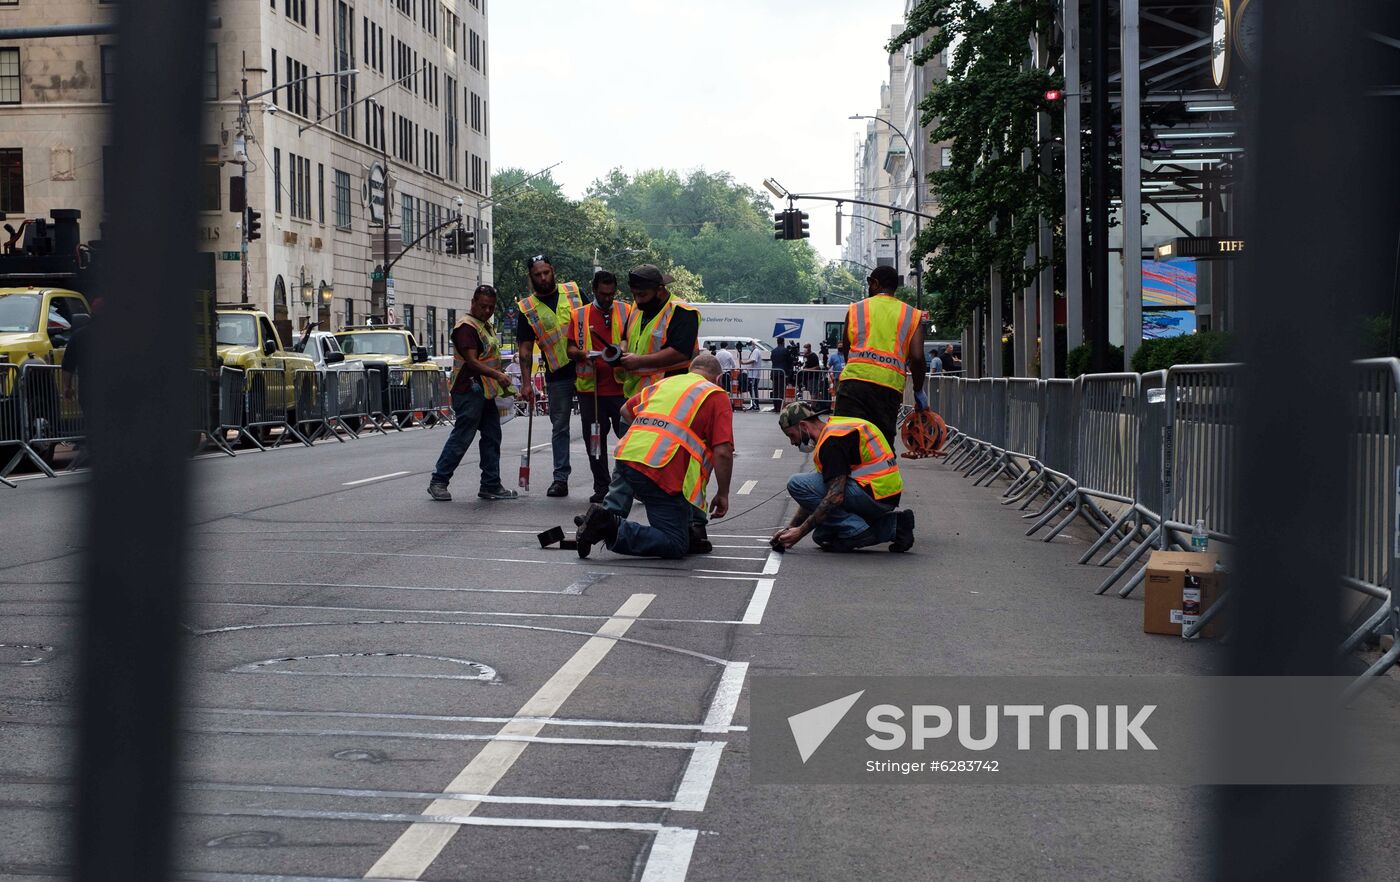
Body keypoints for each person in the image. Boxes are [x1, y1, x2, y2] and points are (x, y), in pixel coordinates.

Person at [576, 353, 734, 560]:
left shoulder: (666, 383)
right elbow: (723, 452)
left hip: (628, 454)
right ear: (718, 378)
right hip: (659, 467)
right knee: (676, 545)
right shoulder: (715, 394)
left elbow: (625, 410)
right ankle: (610, 526)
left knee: (672, 505)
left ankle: (603, 519)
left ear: (691, 370)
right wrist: (723, 494)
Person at [772, 402, 915, 553]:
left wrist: (800, 532)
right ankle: (897, 526)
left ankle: (856, 530)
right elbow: (815, 495)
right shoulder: (835, 428)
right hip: (883, 493)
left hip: (874, 493)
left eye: (791, 435)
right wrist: (791, 529)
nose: (793, 442)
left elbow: (835, 496)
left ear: (803, 426)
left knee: (796, 483)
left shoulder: (832, 441)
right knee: (823, 536)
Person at [428, 285, 519, 502]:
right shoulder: (466, 327)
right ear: (473, 302)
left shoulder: (483, 325)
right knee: (462, 436)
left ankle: (491, 484)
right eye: (483, 306)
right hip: (468, 390)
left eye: (491, 307)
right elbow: (472, 361)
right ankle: (439, 481)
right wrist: (498, 376)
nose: (487, 311)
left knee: (492, 436)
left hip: (484, 390)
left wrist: (497, 379)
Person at [516, 254, 586, 497]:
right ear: (531, 277)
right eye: (538, 274)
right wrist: (526, 384)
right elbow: (524, 350)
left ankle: (604, 480)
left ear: (553, 270)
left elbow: (593, 321)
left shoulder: (574, 292)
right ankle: (560, 479)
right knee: (560, 427)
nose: (543, 278)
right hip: (558, 374)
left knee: (593, 424)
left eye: (546, 272)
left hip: (586, 368)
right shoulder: (527, 308)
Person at [835, 265, 927, 447]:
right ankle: (881, 475)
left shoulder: (855, 310)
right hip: (888, 388)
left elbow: (847, 349)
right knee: (881, 447)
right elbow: (917, 357)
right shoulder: (912, 315)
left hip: (853, 384)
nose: (869, 288)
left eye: (870, 284)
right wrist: (918, 390)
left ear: (875, 284)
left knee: (843, 444)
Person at [566, 270, 634, 504]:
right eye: (603, 294)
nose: (607, 298)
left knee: (630, 439)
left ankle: (634, 484)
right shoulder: (579, 315)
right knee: (595, 440)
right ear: (594, 290)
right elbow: (570, 349)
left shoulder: (627, 310)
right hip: (591, 391)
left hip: (621, 389)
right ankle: (602, 486)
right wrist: (584, 355)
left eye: (611, 294)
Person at [769, 338, 793, 412]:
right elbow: (789, 362)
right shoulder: (786, 351)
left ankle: (775, 406)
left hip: (774, 372)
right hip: (782, 373)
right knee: (781, 391)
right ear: (783, 342)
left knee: (775, 390)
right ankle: (780, 406)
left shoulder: (773, 351)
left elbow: (772, 360)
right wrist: (789, 373)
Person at [742, 342, 762, 411]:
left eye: (749, 346)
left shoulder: (756, 351)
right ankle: (753, 404)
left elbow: (753, 360)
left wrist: (744, 363)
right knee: (752, 389)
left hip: (754, 374)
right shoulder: (754, 351)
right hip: (752, 374)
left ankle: (755, 405)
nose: (749, 347)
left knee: (753, 389)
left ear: (753, 345)